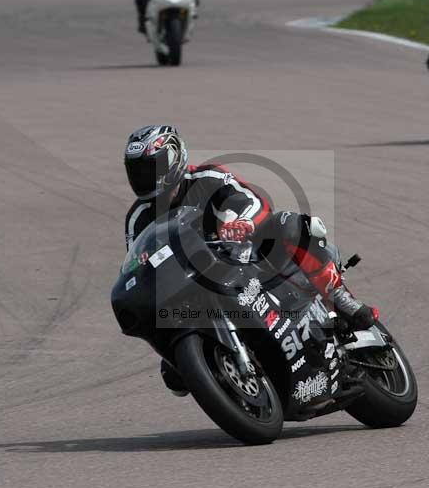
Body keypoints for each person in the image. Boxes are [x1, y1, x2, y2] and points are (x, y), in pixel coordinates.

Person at [122, 125, 381, 395]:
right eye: (136, 170)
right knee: (172, 373)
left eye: (150, 167)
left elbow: (251, 200)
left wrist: (241, 221)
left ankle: (339, 297)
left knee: (289, 224)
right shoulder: (137, 218)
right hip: (197, 283)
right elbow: (138, 262)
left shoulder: (206, 178)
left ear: (173, 159)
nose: (142, 177)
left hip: (249, 258)